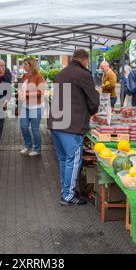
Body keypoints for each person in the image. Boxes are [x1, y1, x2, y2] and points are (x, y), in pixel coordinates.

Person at [48, 49, 100, 206]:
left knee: (64, 160)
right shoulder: (84, 74)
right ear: (85, 60)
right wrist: (92, 111)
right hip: (72, 125)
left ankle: (66, 190)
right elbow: (93, 100)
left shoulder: (62, 73)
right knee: (73, 160)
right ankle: (68, 195)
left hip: (56, 123)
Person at [18, 58, 46, 156]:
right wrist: (20, 92)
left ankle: (37, 149)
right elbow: (20, 87)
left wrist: (26, 94)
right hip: (25, 106)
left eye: (25, 64)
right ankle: (28, 145)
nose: (24, 66)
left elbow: (40, 92)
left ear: (31, 65)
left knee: (34, 129)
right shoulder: (25, 75)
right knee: (23, 126)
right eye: (24, 64)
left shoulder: (39, 77)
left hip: (36, 107)